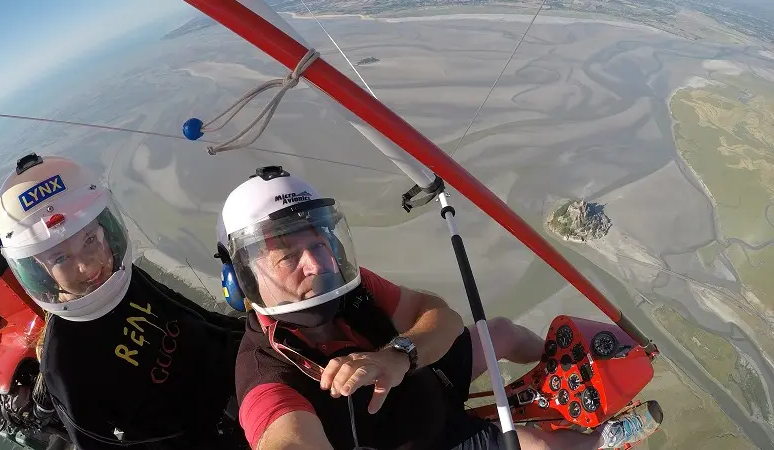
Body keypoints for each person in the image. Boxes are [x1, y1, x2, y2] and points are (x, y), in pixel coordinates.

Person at [218, 165, 663, 450]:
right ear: (243, 280)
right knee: (539, 447)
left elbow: (440, 316)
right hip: (426, 438)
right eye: (288, 257)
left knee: (502, 332)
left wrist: (400, 354)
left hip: (423, 378)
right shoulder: (263, 374)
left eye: (319, 244)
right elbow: (285, 437)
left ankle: (564, 368)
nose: (317, 264)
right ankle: (600, 440)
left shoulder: (350, 287)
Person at [0, 153, 251, 450]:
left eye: (90, 240)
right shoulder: (63, 361)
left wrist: (250, 336)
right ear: (39, 268)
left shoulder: (120, 278)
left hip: (237, 375)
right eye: (61, 258)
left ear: (104, 229)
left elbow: (187, 311)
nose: (88, 267)